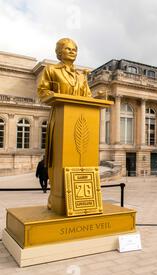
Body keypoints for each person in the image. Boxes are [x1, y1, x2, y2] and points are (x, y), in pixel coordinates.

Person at [37, 38, 92, 208]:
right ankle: (55, 198)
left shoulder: (81, 76)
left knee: (80, 158)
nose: (72, 51)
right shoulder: (51, 70)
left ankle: (78, 198)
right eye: (67, 49)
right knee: (57, 157)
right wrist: (57, 96)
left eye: (74, 49)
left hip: (80, 120)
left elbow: (87, 95)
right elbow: (42, 91)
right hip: (60, 118)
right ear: (59, 52)